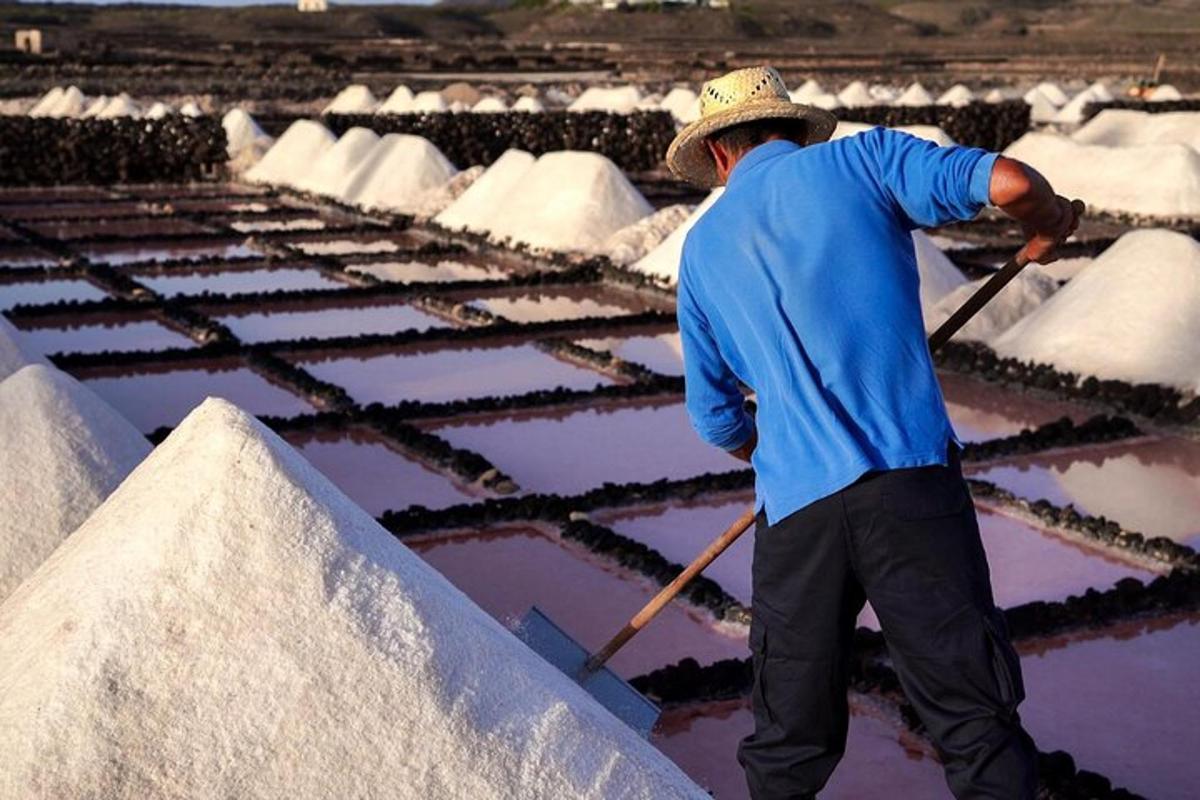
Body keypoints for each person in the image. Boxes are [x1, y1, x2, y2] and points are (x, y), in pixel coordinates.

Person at [666, 66, 1082, 800]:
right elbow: (1012, 182)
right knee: (974, 724)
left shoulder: (700, 252)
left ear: (720, 155)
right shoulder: (861, 161)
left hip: (796, 519)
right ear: (793, 126)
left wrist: (785, 454)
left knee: (787, 748)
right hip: (911, 493)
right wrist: (1044, 225)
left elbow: (714, 417)